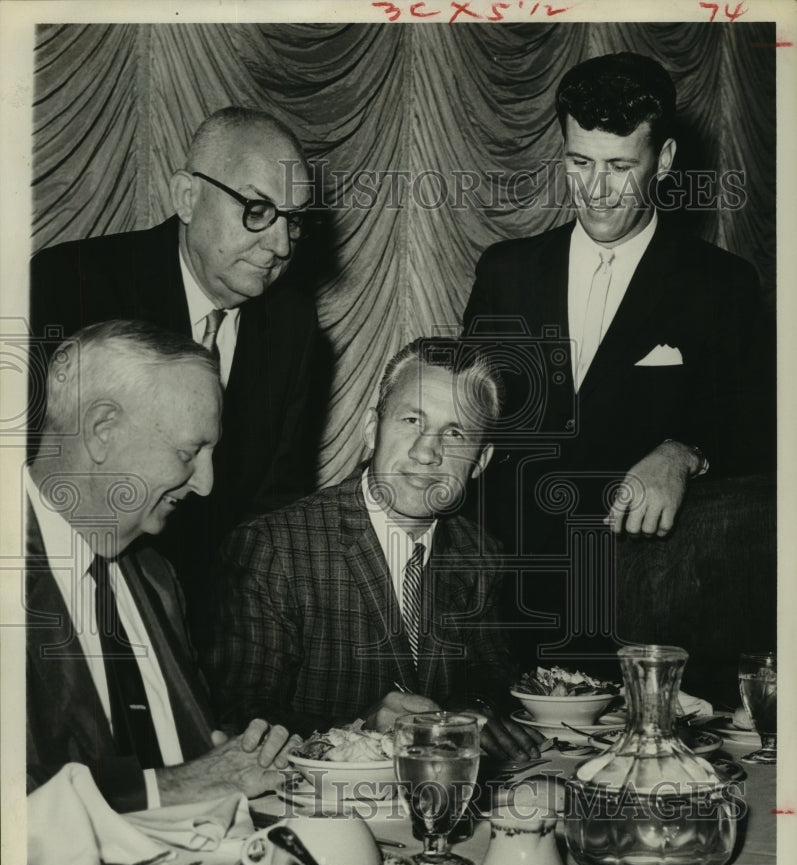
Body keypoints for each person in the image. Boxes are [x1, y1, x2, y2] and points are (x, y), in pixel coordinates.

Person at [462, 52, 770, 661]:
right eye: (580, 162)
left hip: (651, 609)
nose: (596, 190)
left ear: (666, 161)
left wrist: (685, 452)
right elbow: (471, 413)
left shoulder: (723, 285)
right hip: (506, 607)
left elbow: (760, 432)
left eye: (619, 166)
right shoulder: (506, 271)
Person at [29, 107, 322, 648]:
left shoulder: (293, 325)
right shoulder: (68, 283)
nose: (280, 245)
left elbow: (274, 503)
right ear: (187, 197)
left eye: (294, 220)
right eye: (257, 210)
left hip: (216, 627)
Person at [208, 337, 540, 761]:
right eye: (411, 421)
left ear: (480, 461)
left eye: (455, 433)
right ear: (371, 429)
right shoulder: (274, 547)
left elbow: (492, 668)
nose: (426, 452)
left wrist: (473, 706)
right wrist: (357, 726)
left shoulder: (482, 553)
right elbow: (239, 717)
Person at [26, 320, 300, 814]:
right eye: (189, 452)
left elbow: (191, 755)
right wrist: (174, 786)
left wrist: (240, 757)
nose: (206, 484)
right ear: (102, 430)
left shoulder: (156, 577)